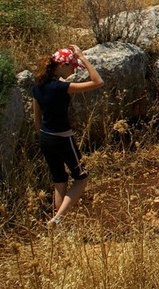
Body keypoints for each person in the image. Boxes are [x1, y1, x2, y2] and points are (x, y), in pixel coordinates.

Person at [32, 44, 104, 227]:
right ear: (62, 65)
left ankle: (58, 223)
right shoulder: (60, 87)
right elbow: (98, 82)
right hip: (63, 137)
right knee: (82, 178)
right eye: (72, 66)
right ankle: (58, 218)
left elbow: (36, 119)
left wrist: (43, 137)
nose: (73, 71)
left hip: (45, 138)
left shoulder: (37, 86)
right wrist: (82, 58)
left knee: (60, 180)